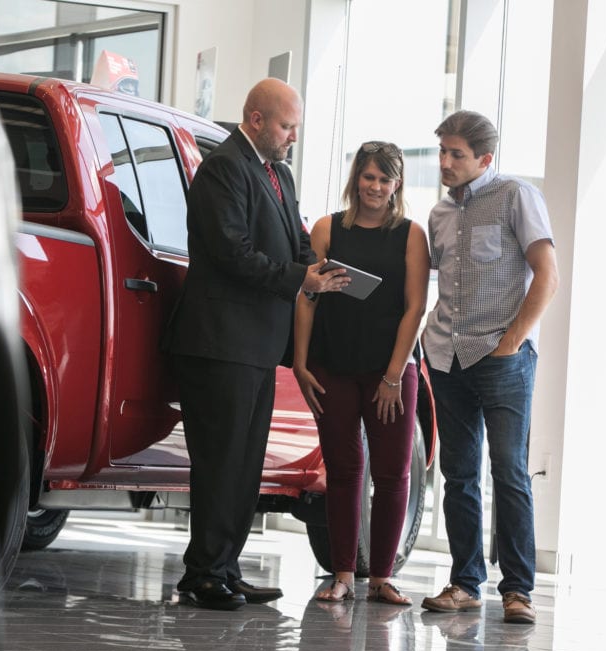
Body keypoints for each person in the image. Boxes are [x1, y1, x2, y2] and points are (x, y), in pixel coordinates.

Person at [162, 78, 347, 611]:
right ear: (258, 119)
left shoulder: (279, 175)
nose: (293, 137)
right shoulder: (223, 168)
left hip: (256, 346)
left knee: (245, 465)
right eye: (288, 126)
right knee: (220, 463)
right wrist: (299, 280)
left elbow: (293, 241)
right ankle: (202, 575)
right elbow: (231, 253)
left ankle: (225, 568)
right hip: (218, 343)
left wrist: (323, 268)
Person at [419, 110, 558, 624]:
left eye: (456, 154)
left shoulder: (517, 197)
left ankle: (518, 591)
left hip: (502, 358)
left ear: (485, 158)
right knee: (458, 474)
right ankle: (464, 583)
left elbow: (547, 275)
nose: (445, 162)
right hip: (445, 356)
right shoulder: (438, 214)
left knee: (510, 471)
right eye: (442, 152)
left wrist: (512, 341)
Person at [293, 141, 430, 606]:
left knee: (392, 474)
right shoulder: (327, 229)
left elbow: (415, 307)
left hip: (389, 370)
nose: (375, 187)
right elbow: (307, 297)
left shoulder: (411, 235)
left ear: (397, 186)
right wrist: (300, 360)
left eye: (384, 179)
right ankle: (343, 575)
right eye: (368, 177)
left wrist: (394, 375)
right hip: (333, 364)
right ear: (356, 179)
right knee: (344, 470)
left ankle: (382, 577)